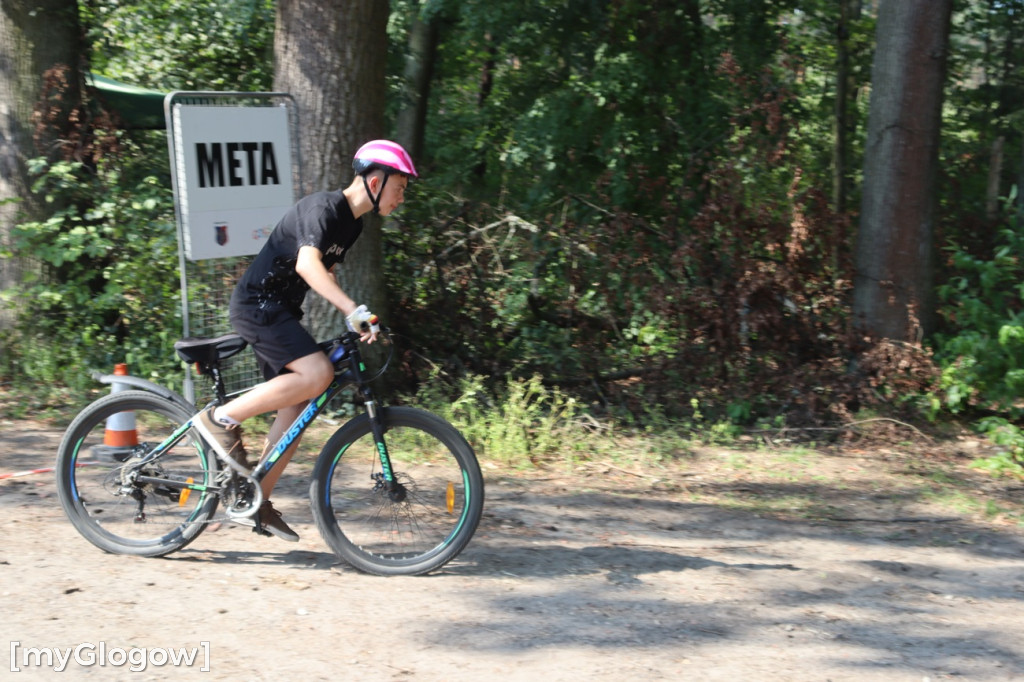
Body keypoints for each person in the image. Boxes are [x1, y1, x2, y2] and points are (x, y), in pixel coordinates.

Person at [192, 139, 417, 542]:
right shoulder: (325, 208)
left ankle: (256, 498)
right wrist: (352, 308)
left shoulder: (353, 223)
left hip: (281, 312)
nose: (402, 197)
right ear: (376, 180)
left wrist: (355, 320)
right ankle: (218, 420)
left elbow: (325, 272)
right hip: (258, 306)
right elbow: (306, 263)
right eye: (400, 187)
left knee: (299, 405)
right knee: (318, 373)